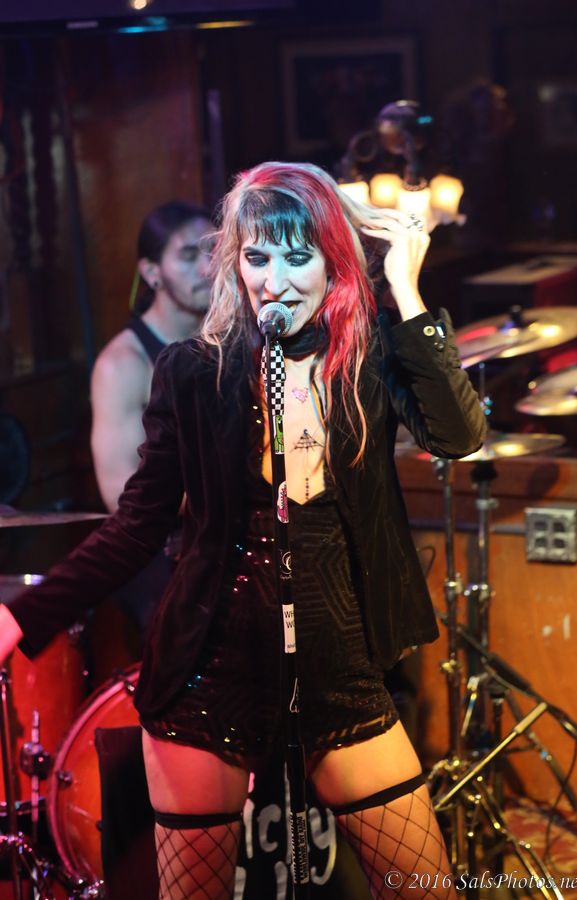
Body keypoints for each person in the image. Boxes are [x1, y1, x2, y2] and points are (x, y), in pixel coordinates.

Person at [0, 161, 486, 899]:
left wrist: (408, 291)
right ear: (236, 263)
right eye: (257, 258)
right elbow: (136, 527)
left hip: (340, 671)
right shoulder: (195, 372)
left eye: (297, 257)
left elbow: (458, 435)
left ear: (335, 263)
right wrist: (19, 617)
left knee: (425, 886)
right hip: (207, 670)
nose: (275, 281)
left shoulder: (369, 360)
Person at [90, 200, 213, 637]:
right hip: (160, 551)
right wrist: (227, 488)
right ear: (151, 272)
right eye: (189, 255)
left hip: (224, 537)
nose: (208, 268)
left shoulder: (233, 340)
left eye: (214, 251)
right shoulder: (123, 364)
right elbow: (121, 495)